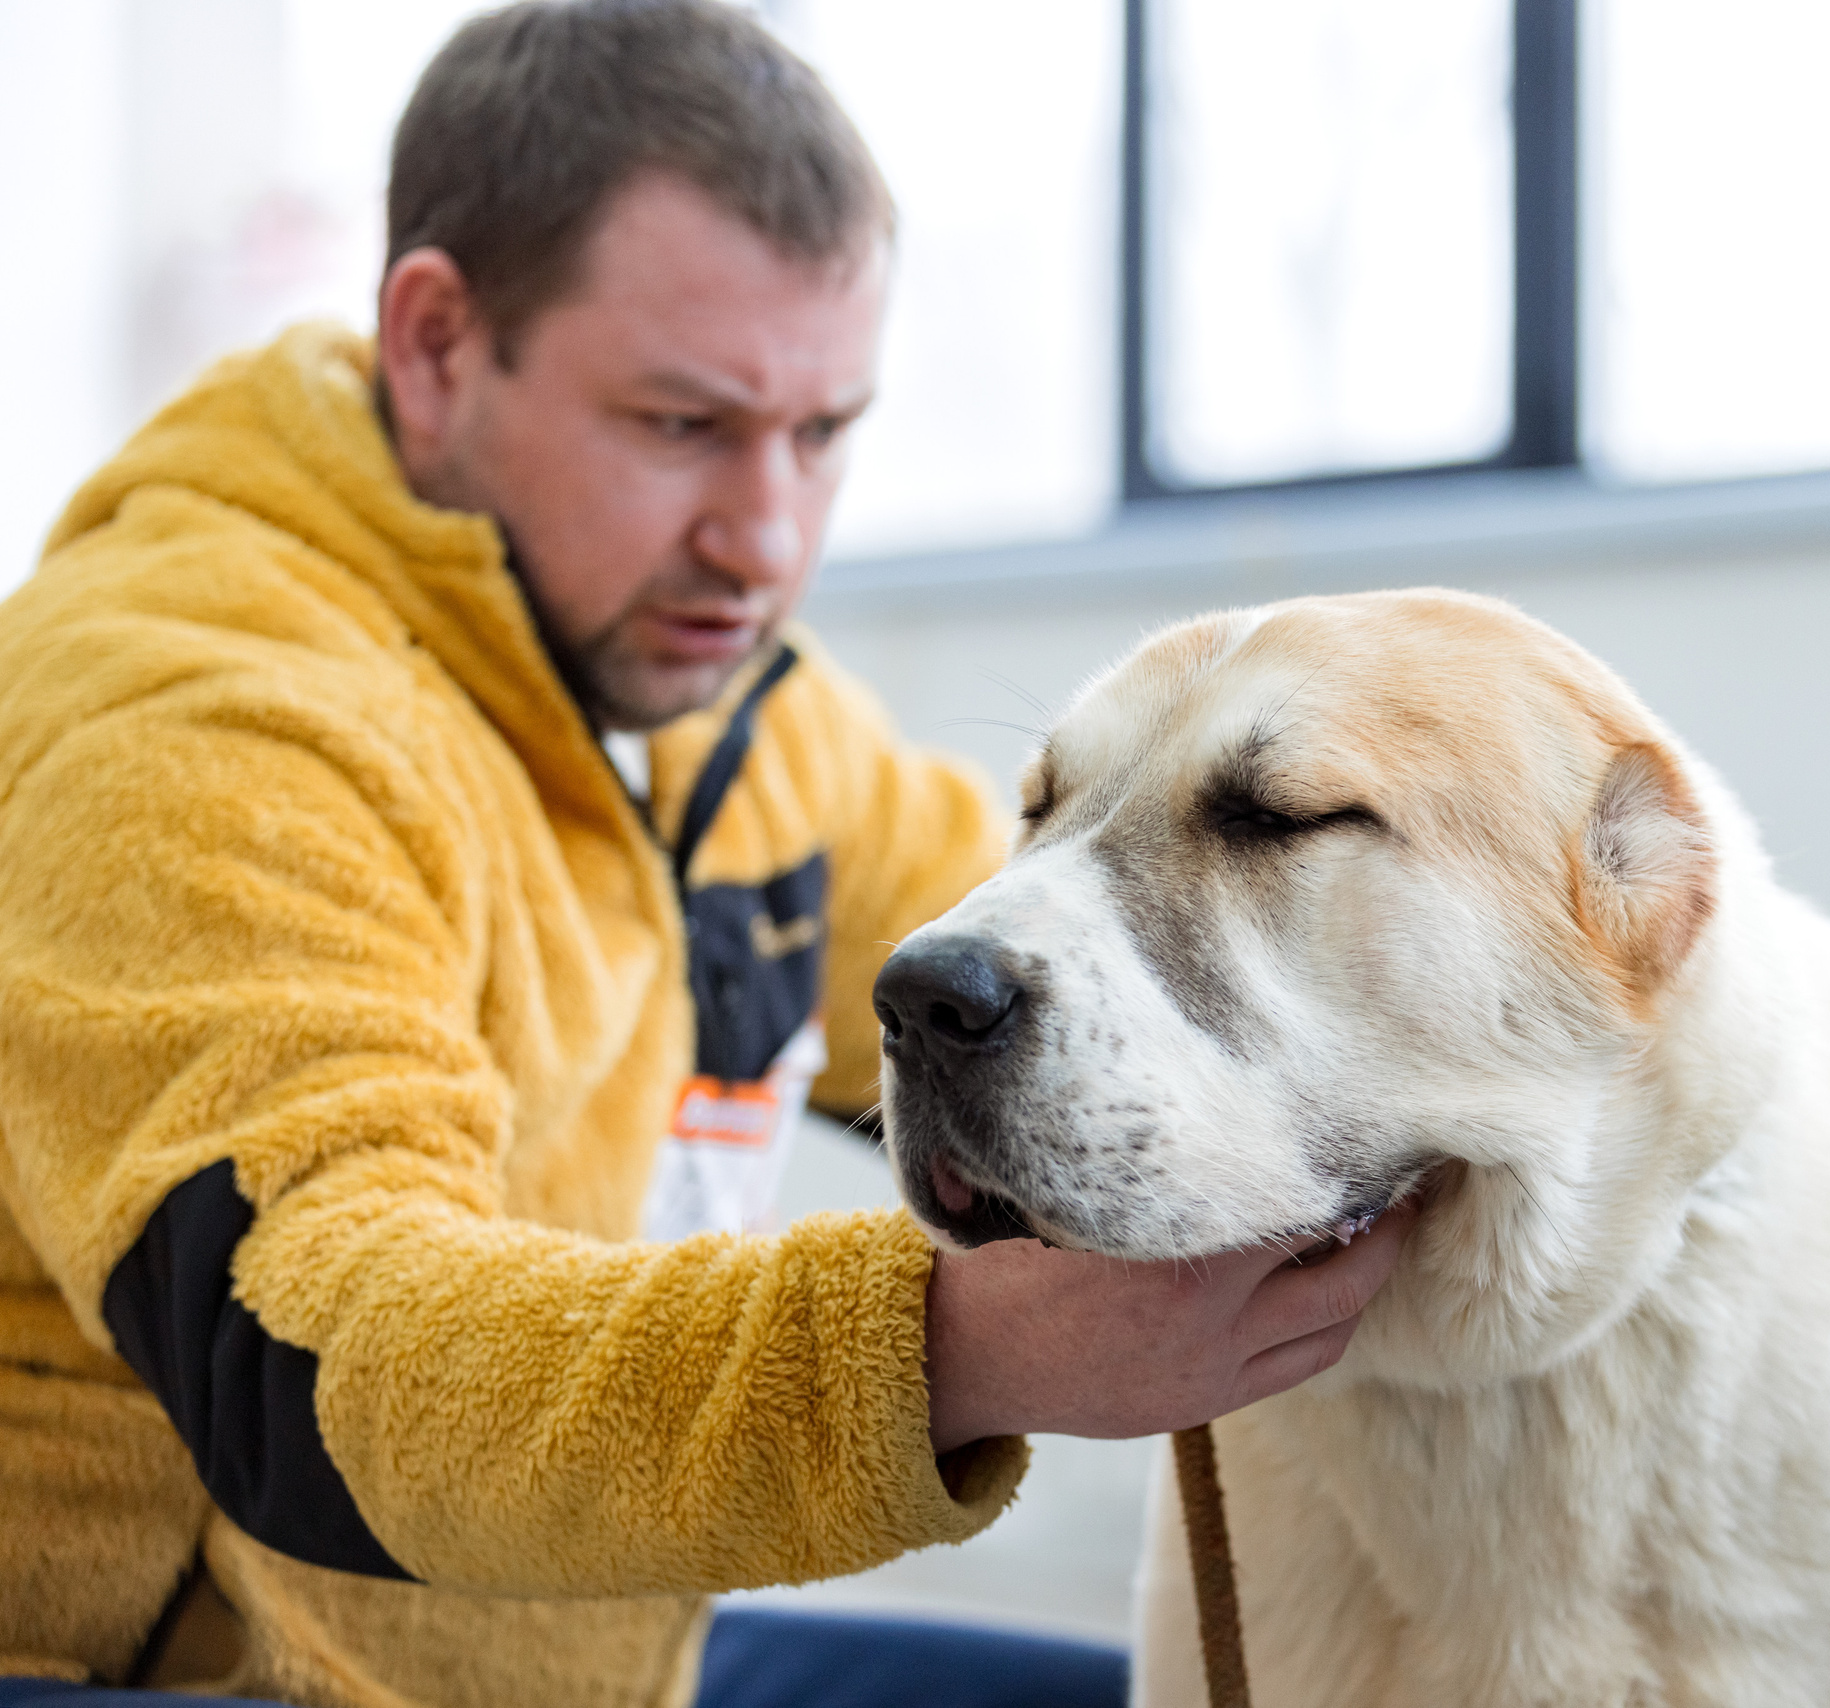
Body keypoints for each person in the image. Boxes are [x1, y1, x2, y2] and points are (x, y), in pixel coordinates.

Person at [0, 6, 1415, 1708]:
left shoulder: (710, 692)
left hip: (576, 1659)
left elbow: (1048, 974)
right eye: (684, 425)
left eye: (823, 433)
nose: (765, 539)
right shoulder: (193, 721)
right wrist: (950, 1355)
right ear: (440, 346)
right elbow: (309, 1365)